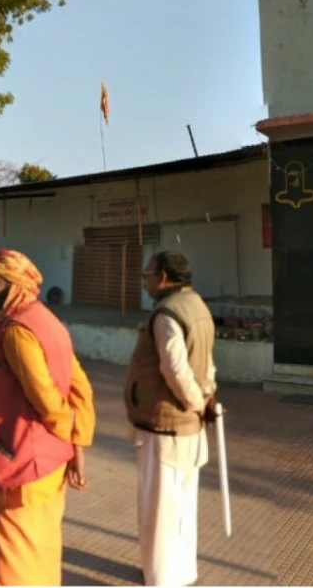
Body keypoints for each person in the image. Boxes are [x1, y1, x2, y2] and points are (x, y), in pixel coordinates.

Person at [0, 248, 95, 586]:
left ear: (14, 286)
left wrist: (69, 441)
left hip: (22, 466)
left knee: (11, 567)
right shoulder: (45, 319)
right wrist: (76, 445)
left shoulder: (16, 331)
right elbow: (80, 386)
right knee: (40, 555)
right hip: (47, 464)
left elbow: (48, 401)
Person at [124, 250, 219, 587]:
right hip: (187, 428)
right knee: (182, 505)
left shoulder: (167, 315)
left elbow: (175, 370)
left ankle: (161, 578)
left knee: (159, 509)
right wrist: (206, 396)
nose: (146, 281)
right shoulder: (198, 307)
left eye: (148, 274)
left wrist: (195, 402)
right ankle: (180, 572)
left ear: (163, 276)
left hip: (165, 426)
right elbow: (207, 365)